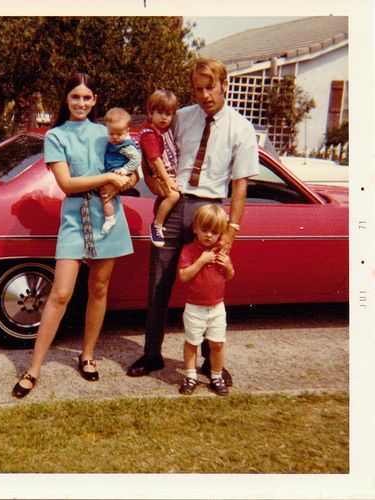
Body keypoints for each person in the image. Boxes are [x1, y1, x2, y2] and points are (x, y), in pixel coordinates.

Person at [127, 58, 259, 380]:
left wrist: (232, 229)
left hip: (210, 211)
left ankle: (207, 363)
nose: (204, 95)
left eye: (210, 87)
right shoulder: (181, 117)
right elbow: (151, 145)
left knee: (207, 287)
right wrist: (151, 178)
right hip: (173, 203)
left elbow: (240, 184)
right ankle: (152, 354)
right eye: (198, 89)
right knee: (159, 282)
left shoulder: (241, 128)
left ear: (224, 85)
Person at [12, 72, 137, 398]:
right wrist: (107, 176)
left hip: (108, 216)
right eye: (75, 97)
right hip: (74, 219)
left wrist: (124, 179)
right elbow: (67, 184)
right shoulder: (56, 136)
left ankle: (87, 356)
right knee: (61, 293)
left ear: (95, 100)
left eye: (87, 97)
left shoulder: (106, 130)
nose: (81, 103)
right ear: (66, 100)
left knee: (99, 288)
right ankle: (34, 368)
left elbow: (133, 167)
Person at [177, 204, 235, 396]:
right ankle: (191, 376)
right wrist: (201, 260)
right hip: (195, 307)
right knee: (192, 342)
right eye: (204, 230)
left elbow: (230, 276)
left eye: (215, 232)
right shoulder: (189, 250)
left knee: (217, 343)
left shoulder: (222, 251)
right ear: (195, 228)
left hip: (217, 306)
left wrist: (227, 267)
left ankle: (216, 375)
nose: (209, 235)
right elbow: (184, 276)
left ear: (221, 234)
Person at [138, 89, 180, 247]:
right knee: (173, 196)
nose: (164, 117)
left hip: (170, 173)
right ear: (150, 112)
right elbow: (155, 161)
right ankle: (157, 225)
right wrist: (167, 180)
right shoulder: (149, 135)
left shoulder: (164, 131)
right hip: (160, 176)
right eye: (160, 112)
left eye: (168, 114)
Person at [102, 107, 141, 235]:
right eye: (111, 133)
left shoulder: (126, 147)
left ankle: (109, 218)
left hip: (119, 174)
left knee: (105, 197)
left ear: (127, 131)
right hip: (111, 173)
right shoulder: (110, 143)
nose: (115, 137)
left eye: (119, 134)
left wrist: (125, 170)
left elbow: (136, 159)